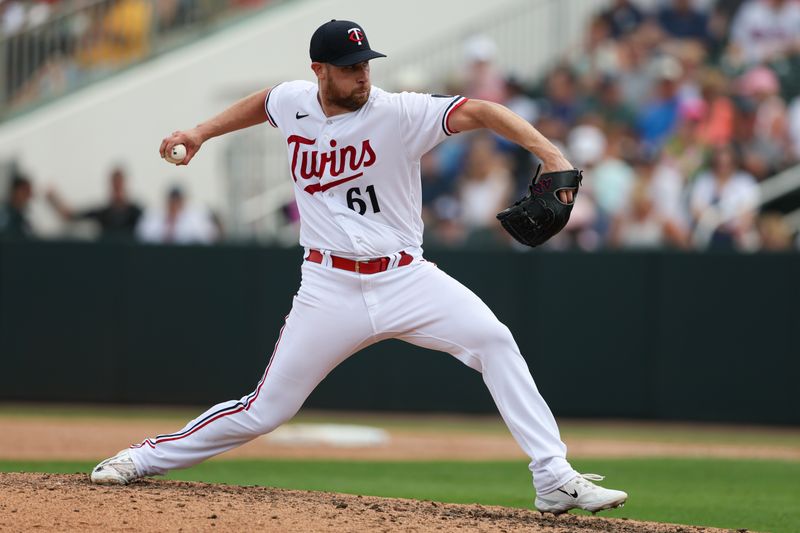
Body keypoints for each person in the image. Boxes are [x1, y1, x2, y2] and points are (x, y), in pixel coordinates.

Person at [90, 19, 627, 515]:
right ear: (319, 71)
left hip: (405, 278)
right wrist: (201, 132)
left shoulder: (399, 113)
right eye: (349, 67)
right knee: (265, 410)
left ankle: (553, 476)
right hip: (329, 287)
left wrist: (552, 155)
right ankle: (142, 458)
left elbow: (483, 110)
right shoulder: (295, 100)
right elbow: (267, 102)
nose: (362, 74)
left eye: (366, 63)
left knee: (494, 339)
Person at [46, 167, 143, 241]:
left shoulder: (136, 213)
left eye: (119, 186)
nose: (117, 191)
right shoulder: (103, 213)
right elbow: (70, 215)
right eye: (115, 186)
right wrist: (54, 199)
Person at [136, 185, 217, 244]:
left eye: (177, 200)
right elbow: (142, 234)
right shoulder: (154, 215)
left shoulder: (195, 217)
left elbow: (209, 235)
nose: (174, 204)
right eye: (172, 200)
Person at [0, 173, 34, 239]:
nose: (29, 196)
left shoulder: (23, 217)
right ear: (15, 191)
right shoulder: (4, 214)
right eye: (25, 191)